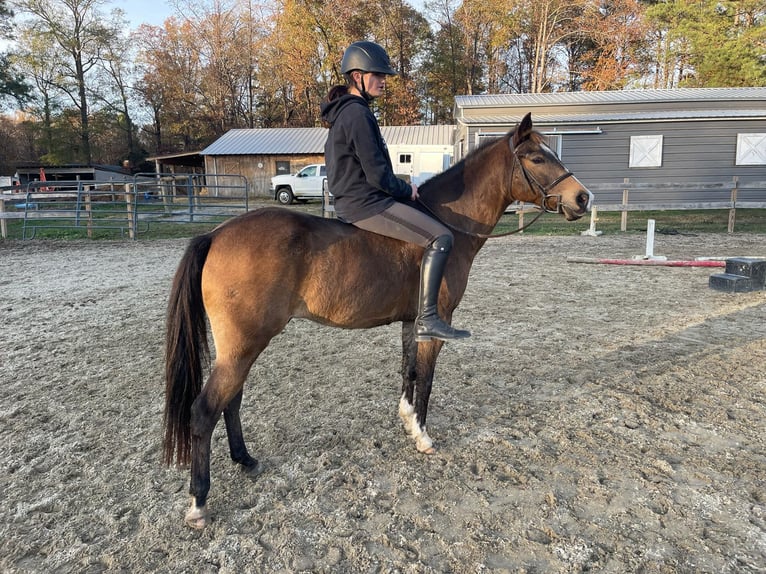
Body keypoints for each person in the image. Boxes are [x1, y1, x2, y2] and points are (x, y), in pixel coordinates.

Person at [320, 41, 470, 342]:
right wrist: (406, 190)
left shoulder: (346, 113)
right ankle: (428, 318)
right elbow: (378, 175)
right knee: (441, 237)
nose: (383, 81)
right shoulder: (357, 114)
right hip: (368, 204)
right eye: (378, 75)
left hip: (356, 200)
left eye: (384, 76)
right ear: (357, 76)